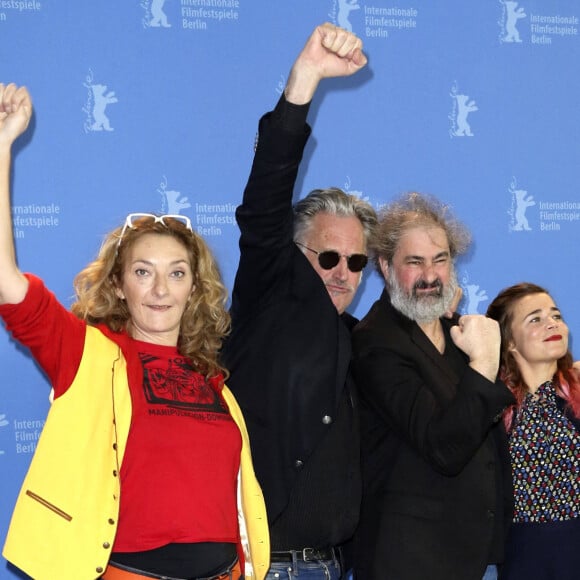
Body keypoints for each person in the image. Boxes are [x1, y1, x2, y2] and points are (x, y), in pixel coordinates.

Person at [0, 83, 269, 580]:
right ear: (120, 285)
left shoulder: (213, 380)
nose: (160, 289)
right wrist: (1, 146)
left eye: (177, 272)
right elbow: (5, 280)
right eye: (143, 271)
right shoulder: (87, 355)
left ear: (195, 287)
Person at [220, 24, 376, 580]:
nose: (343, 273)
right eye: (328, 257)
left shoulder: (361, 339)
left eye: (357, 263)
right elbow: (264, 203)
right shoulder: (268, 306)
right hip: (270, 568)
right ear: (293, 253)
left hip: (334, 567)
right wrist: (303, 80)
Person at [351, 192, 515, 580]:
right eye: (415, 262)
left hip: (466, 555)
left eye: (440, 260)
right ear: (386, 268)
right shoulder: (376, 342)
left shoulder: (454, 332)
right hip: (407, 560)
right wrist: (485, 364)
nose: (430, 275)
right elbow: (445, 447)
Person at [486, 283, 580, 580]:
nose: (552, 323)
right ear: (510, 342)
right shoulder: (490, 404)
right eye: (535, 319)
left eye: (555, 315)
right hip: (521, 556)